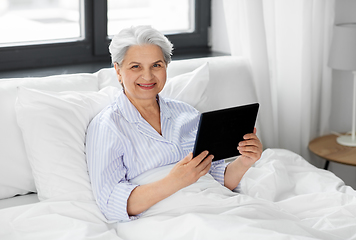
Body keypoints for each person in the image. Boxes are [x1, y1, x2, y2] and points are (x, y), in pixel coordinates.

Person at [85, 25, 263, 222]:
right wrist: (175, 181)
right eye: (136, 66)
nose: (147, 76)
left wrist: (245, 160)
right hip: (168, 220)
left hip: (218, 205)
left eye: (156, 65)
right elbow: (111, 203)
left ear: (166, 67)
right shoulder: (107, 126)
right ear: (118, 71)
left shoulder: (187, 113)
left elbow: (217, 179)